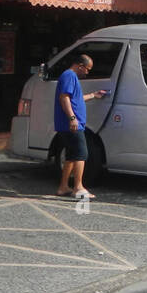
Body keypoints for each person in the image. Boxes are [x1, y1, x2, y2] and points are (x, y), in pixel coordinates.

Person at [54, 54, 108, 199]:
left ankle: (63, 187)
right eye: (87, 69)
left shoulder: (70, 77)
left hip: (69, 124)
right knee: (81, 154)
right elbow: (64, 97)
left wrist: (93, 95)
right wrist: (72, 118)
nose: (87, 72)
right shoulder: (69, 75)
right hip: (71, 124)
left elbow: (75, 98)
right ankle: (78, 187)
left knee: (71, 156)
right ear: (80, 66)